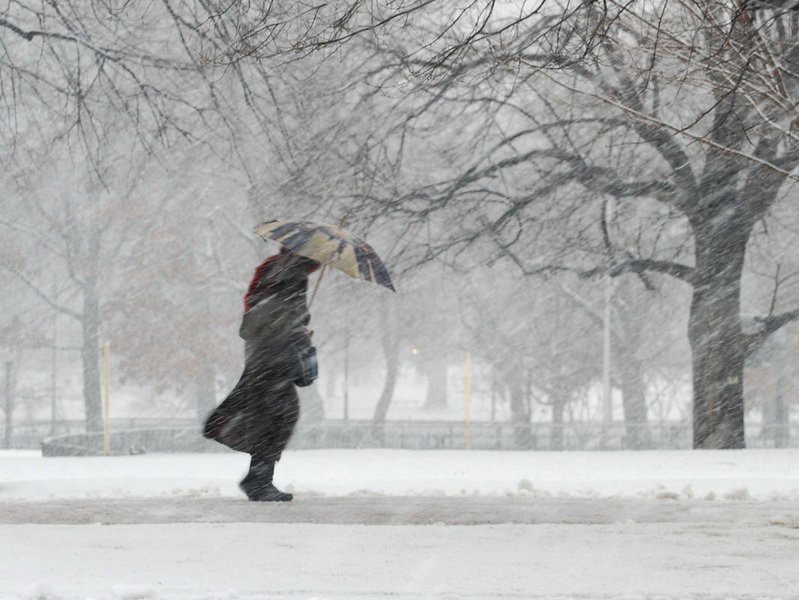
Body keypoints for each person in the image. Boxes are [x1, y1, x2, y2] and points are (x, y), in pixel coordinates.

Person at [203, 247, 321, 501]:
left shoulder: (276, 267)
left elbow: (265, 309)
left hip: (262, 352)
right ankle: (258, 480)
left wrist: (296, 326)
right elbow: (285, 312)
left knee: (270, 416)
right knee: (277, 418)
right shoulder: (294, 271)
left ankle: (257, 477)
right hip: (274, 354)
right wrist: (299, 331)